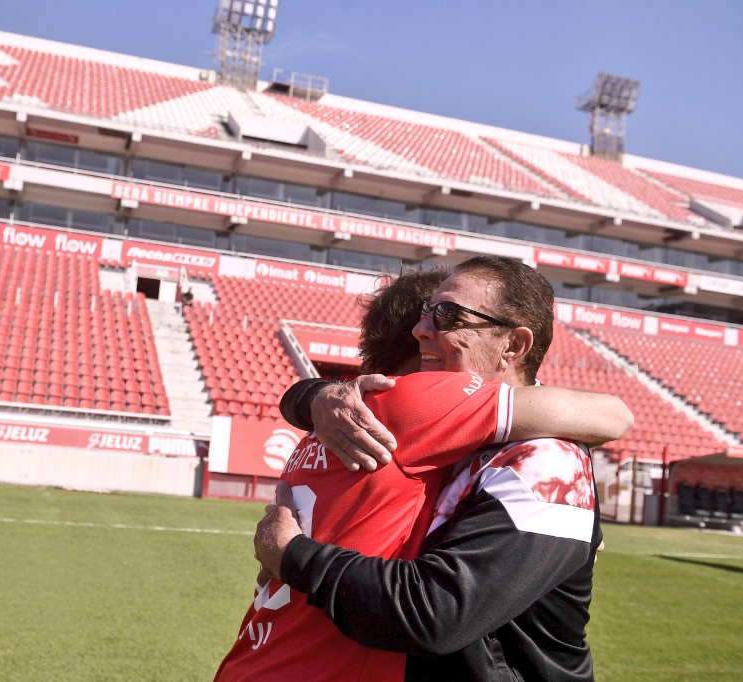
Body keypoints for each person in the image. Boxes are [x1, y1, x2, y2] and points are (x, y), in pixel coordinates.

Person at [217, 260, 632, 681]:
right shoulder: (428, 428)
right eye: (424, 314)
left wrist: (292, 554)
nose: (424, 330)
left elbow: (438, 612)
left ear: (513, 345)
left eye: (448, 316)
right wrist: (315, 396)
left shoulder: (549, 459)